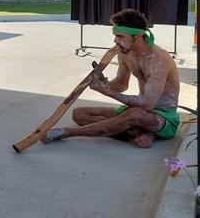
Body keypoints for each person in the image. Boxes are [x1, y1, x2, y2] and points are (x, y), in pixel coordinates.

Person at [41, 9, 180, 148]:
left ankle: (68, 133)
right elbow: (121, 84)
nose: (115, 41)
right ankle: (137, 132)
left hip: (163, 116)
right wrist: (104, 84)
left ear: (137, 36)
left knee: (135, 114)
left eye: (120, 36)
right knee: (79, 114)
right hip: (136, 109)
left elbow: (148, 104)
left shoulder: (160, 59)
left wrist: (105, 92)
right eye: (115, 36)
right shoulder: (125, 54)